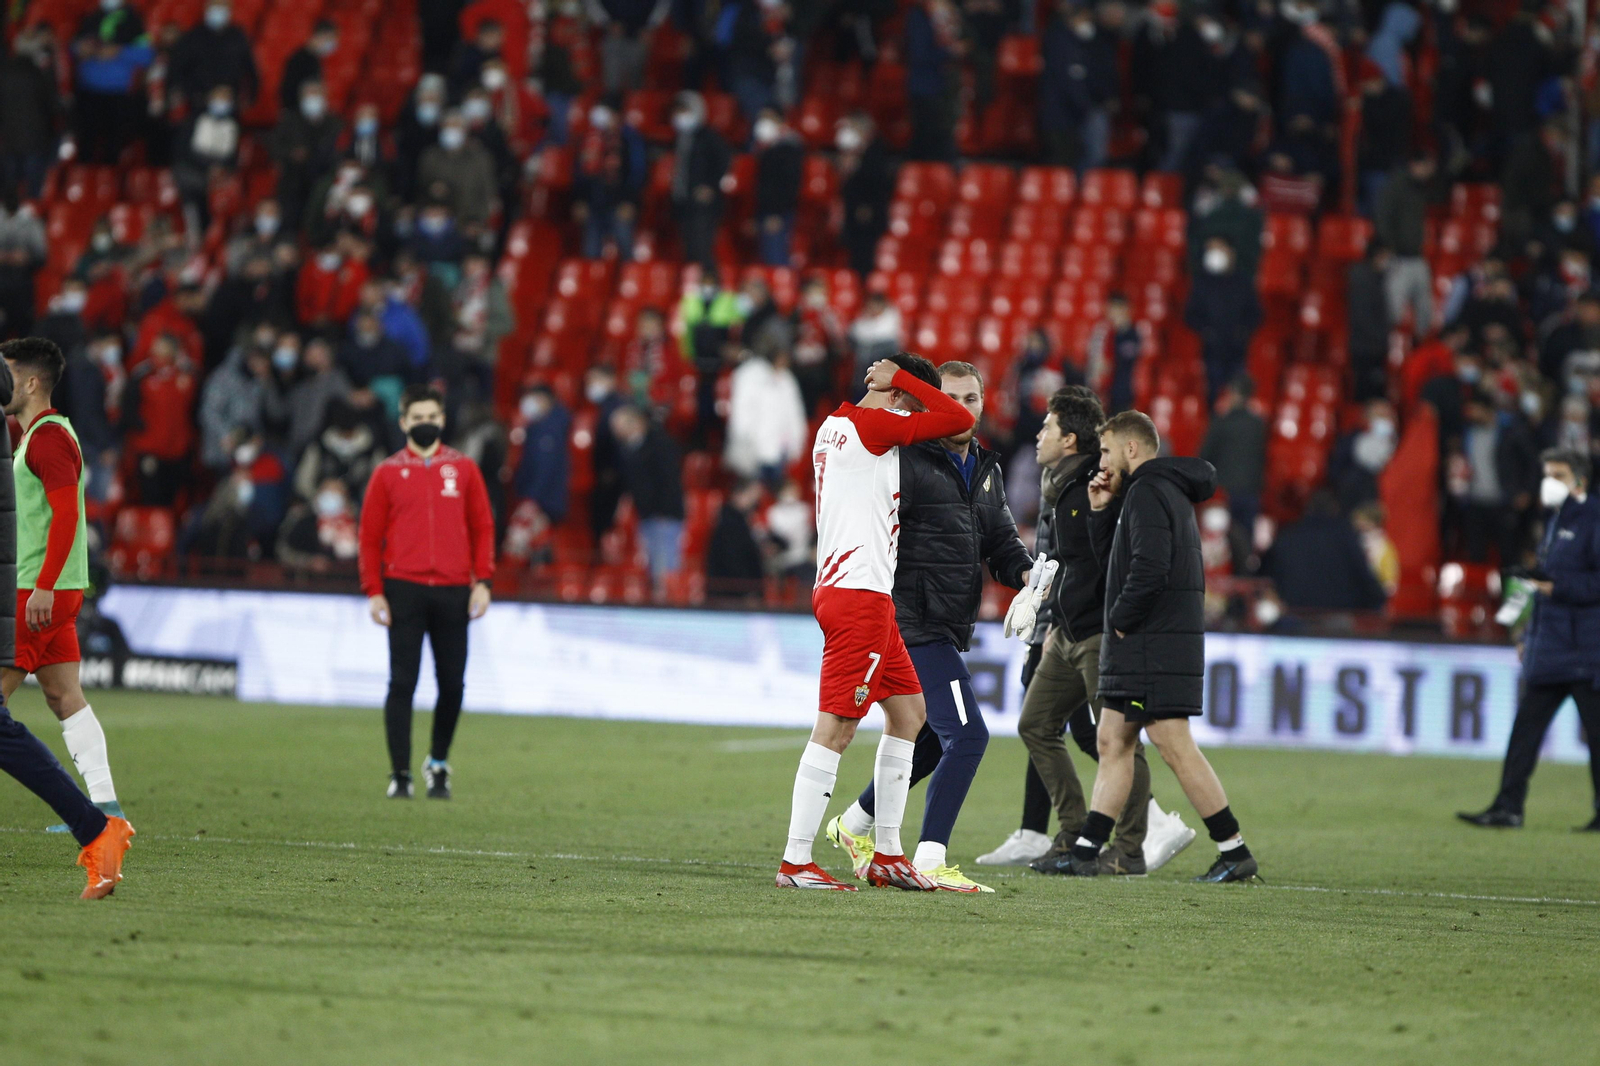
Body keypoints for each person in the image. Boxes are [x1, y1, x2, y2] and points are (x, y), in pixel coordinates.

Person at [822, 361, 1032, 892]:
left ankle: (854, 823)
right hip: (909, 619)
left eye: (973, 398)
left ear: (984, 404)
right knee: (967, 736)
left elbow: (999, 541)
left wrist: (1029, 574)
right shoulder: (906, 459)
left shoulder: (986, 468)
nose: (965, 408)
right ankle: (931, 857)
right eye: (952, 397)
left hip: (944, 622)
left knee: (933, 740)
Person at [776, 354, 975, 891]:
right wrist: (905, 383)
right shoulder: (875, 423)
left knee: (910, 714)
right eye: (914, 400)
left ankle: (887, 853)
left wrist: (901, 388)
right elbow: (959, 420)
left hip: (862, 592)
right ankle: (796, 861)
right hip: (858, 593)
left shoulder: (835, 426)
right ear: (900, 398)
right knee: (837, 728)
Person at [1008, 388, 1194, 876]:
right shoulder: (1062, 486)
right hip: (1066, 634)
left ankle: (1130, 846)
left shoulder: (1098, 484)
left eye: (1046, 427)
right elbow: (1069, 565)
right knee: (1036, 725)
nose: (1038, 435)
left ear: (1069, 439)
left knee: (1117, 741)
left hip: (1097, 635)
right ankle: (1073, 831)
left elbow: (1107, 562)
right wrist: (1051, 620)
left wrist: (1105, 622)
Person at [1067, 410, 1259, 882]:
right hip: (1152, 639)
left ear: (1132, 448)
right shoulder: (1150, 491)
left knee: (1172, 744)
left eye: (1108, 450)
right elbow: (1116, 560)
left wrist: (1121, 620)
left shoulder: (1150, 490)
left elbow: (1150, 569)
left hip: (1151, 641)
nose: (1103, 461)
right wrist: (1100, 510)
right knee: (1112, 739)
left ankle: (1234, 851)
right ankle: (1085, 852)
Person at [0, 346, 134, 898]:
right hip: (53, 588)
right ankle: (108, 812)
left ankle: (96, 828)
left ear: (32, 382)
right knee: (65, 697)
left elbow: (64, 515)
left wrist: (47, 586)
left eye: (5, 374)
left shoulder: (50, 438)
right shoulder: (38, 435)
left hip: (39, 589)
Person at [359, 385, 495, 800]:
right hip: (404, 588)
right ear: (403, 422)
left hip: (455, 589)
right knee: (402, 683)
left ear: (442, 420)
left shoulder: (465, 469)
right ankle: (400, 773)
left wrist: (484, 581)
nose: (424, 424)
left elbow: (483, 527)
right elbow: (369, 536)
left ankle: (438, 762)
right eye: (416, 418)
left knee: (452, 684)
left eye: (431, 417)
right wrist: (373, 591)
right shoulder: (386, 472)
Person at [1460, 450, 1600, 832]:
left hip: (1586, 652)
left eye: (1558, 474)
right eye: (1546, 474)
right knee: (1524, 734)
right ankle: (1508, 808)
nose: (1548, 481)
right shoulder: (1555, 521)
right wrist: (1525, 634)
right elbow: (1545, 585)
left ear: (1580, 481)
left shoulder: (1593, 520)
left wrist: (1555, 586)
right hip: (1552, 649)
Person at [610, 405, 685, 589]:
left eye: (619, 426)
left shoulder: (659, 444)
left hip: (663, 516)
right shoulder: (629, 448)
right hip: (646, 515)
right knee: (652, 566)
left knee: (666, 570)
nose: (616, 432)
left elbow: (669, 481)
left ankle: (668, 605)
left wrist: (662, 511)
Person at [1199, 377, 1267, 570]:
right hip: (1250, 491)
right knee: (1245, 542)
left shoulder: (1222, 422)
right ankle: (1245, 578)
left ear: (1235, 395)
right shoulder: (1258, 424)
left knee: (1222, 542)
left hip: (1225, 492)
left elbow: (1204, 456)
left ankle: (1222, 584)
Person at [1185, 237, 1261, 404]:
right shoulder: (1201, 283)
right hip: (1211, 352)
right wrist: (1206, 331)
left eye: (1218, 249)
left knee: (1237, 396)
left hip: (1237, 351)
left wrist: (1242, 332)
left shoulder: (1243, 283)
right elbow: (1190, 315)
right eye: (1210, 250)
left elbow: (1255, 314)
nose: (1213, 254)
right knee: (1212, 396)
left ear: (1230, 252)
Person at [1375, 152, 1436, 339]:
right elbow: (1382, 217)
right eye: (1428, 167)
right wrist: (1389, 246)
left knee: (1425, 311)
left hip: (1417, 257)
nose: (1431, 172)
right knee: (1393, 312)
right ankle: (1389, 353)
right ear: (1416, 164)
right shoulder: (1396, 186)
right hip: (1398, 258)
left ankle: (1420, 353)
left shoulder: (1420, 188)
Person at [668, 92, 730, 270]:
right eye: (678, 111)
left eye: (685, 110)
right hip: (684, 201)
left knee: (702, 249)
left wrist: (710, 186)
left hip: (704, 204)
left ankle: (709, 288)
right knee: (688, 250)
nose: (680, 116)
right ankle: (692, 290)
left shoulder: (709, 137)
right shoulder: (680, 138)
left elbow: (724, 161)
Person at [167, 0, 258, 111]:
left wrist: (240, 97)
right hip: (198, 104)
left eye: (223, 5)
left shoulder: (238, 37)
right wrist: (200, 94)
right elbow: (177, 71)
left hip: (231, 104)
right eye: (215, 5)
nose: (219, 9)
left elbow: (250, 71)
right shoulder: (193, 37)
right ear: (207, 7)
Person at [752, 108, 804, 267]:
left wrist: (777, 214)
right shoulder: (766, 148)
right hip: (767, 211)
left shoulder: (789, 148)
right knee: (767, 257)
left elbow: (788, 185)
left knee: (776, 259)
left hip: (778, 213)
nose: (763, 123)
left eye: (769, 119)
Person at [279, 19, 339, 113]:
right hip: (297, 114)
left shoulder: (316, 60)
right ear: (321, 36)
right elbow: (288, 90)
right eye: (331, 39)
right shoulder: (299, 59)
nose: (333, 44)